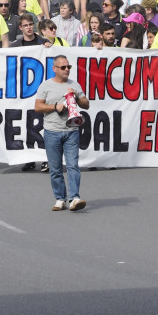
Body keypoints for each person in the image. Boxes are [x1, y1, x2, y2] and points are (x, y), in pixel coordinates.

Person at [35, 56, 89, 211]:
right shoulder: (46, 85)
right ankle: (60, 198)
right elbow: (38, 107)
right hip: (52, 131)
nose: (67, 70)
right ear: (55, 69)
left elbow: (86, 105)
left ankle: (74, 198)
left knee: (73, 165)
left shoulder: (74, 84)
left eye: (68, 67)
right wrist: (55, 107)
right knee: (55, 168)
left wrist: (77, 97)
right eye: (63, 67)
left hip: (71, 131)